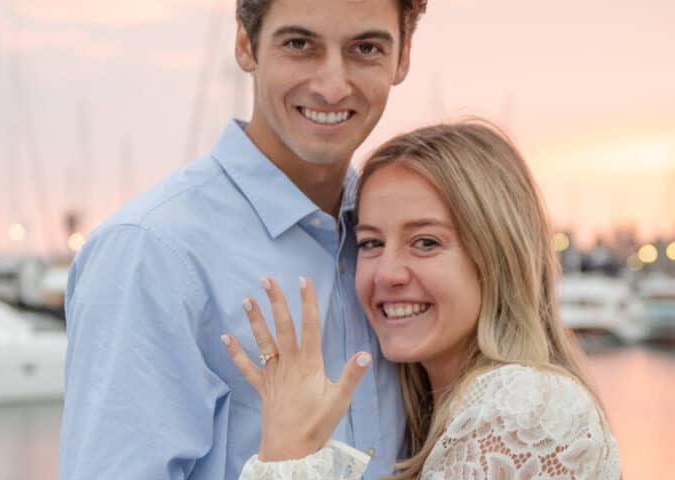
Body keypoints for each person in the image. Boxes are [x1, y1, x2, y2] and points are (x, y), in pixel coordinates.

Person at [59, 1, 428, 478]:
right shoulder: (150, 254)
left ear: (403, 57)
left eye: (366, 48)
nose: (333, 85)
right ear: (244, 43)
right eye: (299, 44)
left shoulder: (396, 245)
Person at [224, 121, 622, 479]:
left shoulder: (521, 407)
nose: (387, 273)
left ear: (497, 255)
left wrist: (288, 454)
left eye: (426, 242)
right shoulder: (442, 414)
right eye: (371, 242)